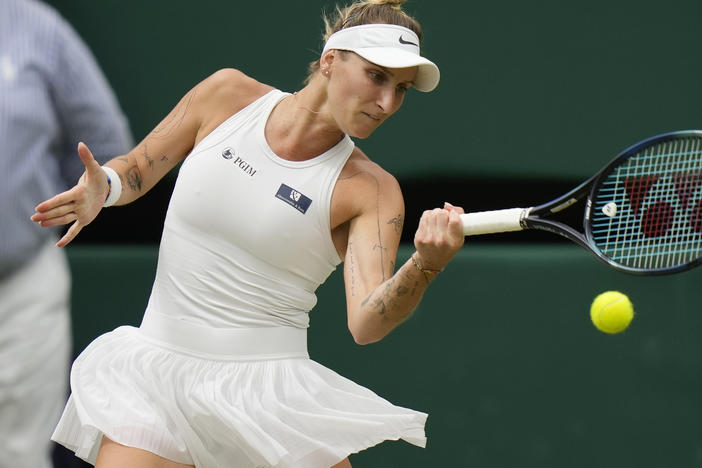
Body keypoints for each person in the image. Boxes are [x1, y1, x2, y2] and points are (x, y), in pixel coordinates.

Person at [32, 0, 464, 466]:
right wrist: (108, 186)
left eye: (401, 89)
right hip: (157, 376)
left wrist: (424, 265)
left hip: (270, 400)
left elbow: (367, 323)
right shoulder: (226, 94)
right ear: (329, 60)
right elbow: (137, 167)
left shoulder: (372, 191)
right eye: (377, 76)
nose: (387, 103)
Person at [0, 1, 133, 467]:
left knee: (17, 455)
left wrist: (35, 205)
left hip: (21, 286)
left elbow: (105, 145)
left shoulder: (35, 27)